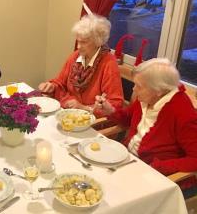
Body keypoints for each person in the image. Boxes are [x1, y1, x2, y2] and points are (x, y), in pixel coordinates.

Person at [95, 58, 197, 192]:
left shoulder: (183, 112)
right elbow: (128, 119)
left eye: (139, 86)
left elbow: (194, 159)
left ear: (159, 90)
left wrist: (160, 166)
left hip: (156, 177)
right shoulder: (147, 98)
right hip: (129, 161)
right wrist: (110, 111)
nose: (134, 89)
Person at [38, 14, 123, 117]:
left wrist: (83, 107)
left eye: (84, 42)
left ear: (97, 41)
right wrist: (51, 86)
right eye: (78, 41)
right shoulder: (76, 56)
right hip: (68, 113)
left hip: (91, 121)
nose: (78, 46)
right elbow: (60, 82)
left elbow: (115, 103)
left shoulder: (109, 63)